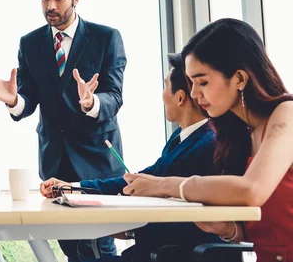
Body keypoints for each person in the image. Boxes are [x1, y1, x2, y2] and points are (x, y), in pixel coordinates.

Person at [0, 0, 127, 261]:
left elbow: (114, 96)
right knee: (73, 250)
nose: (50, 5)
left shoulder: (106, 38)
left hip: (95, 164)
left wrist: (91, 103)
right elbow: (28, 100)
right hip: (55, 164)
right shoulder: (30, 43)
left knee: (98, 249)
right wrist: (13, 101)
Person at [123, 18, 293, 262]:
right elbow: (263, 233)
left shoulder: (287, 114)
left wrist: (165, 185)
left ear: (240, 79)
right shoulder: (238, 137)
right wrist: (227, 229)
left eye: (202, 82)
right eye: (191, 82)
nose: (193, 93)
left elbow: (252, 190)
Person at [41, 53, 222, 261]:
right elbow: (138, 179)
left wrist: (131, 229)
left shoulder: (208, 145)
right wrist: (71, 187)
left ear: (180, 97)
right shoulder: (182, 139)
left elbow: (194, 224)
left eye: (165, 87)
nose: (162, 95)